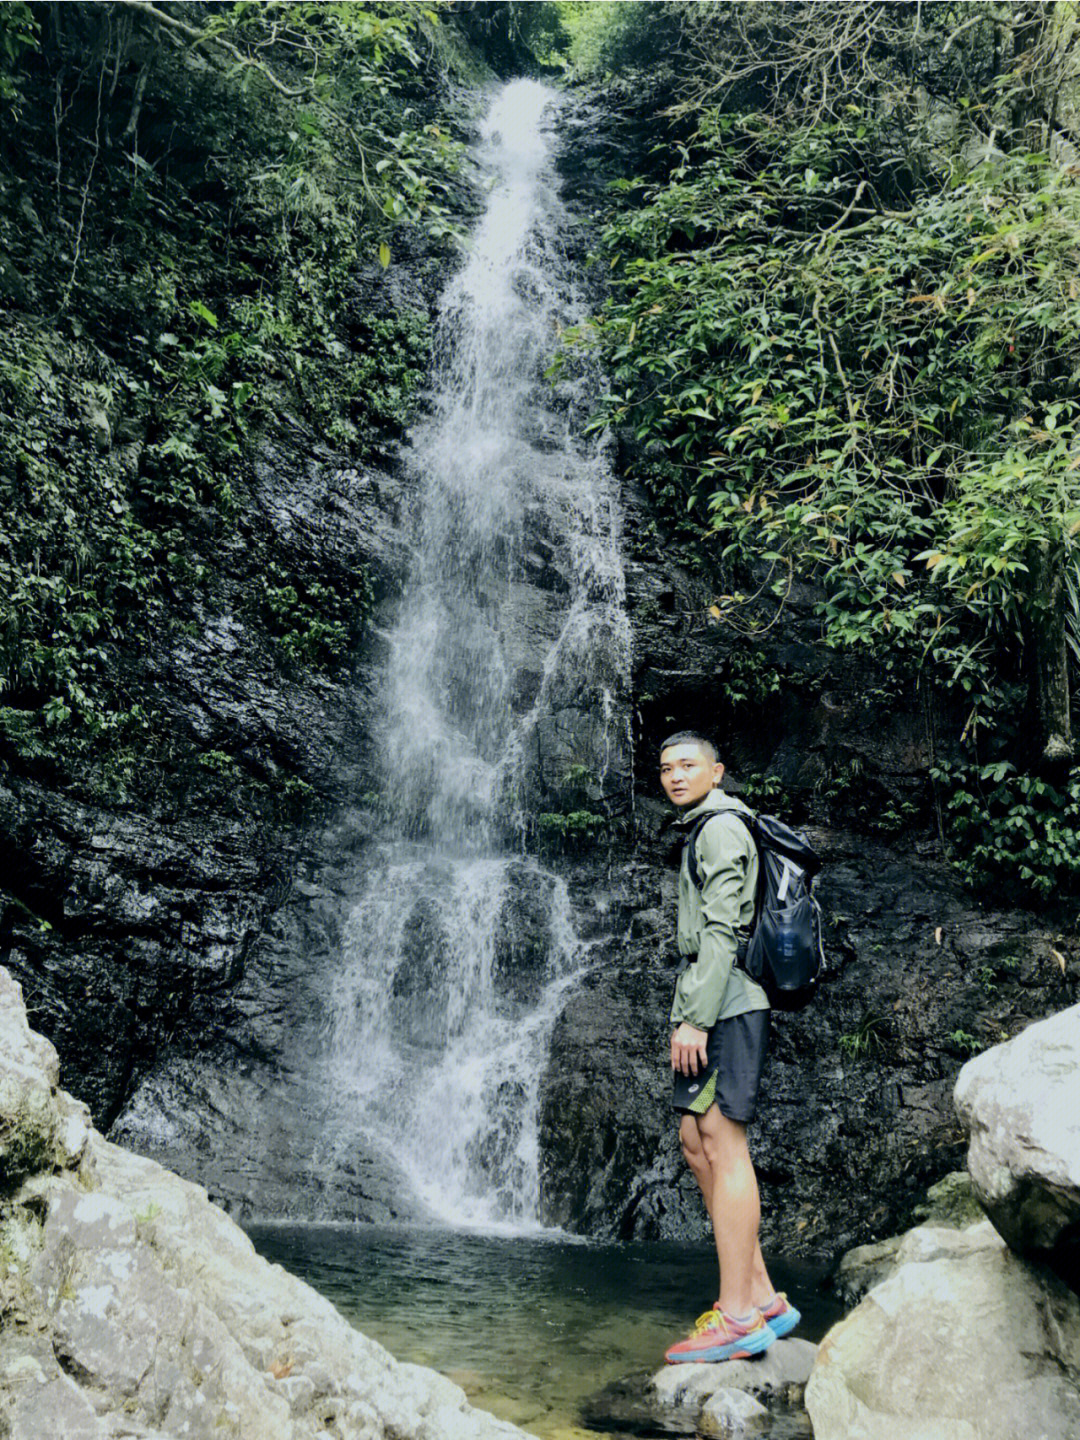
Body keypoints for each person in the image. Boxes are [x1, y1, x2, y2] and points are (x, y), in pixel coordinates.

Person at [658, 731, 800, 1363]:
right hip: (713, 998)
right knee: (697, 1142)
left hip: (726, 1005)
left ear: (717, 771)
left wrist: (693, 1019)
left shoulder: (718, 827)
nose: (675, 775)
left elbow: (721, 928)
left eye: (688, 765)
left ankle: (738, 1316)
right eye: (665, 768)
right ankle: (764, 1294)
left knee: (722, 1142)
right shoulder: (705, 826)